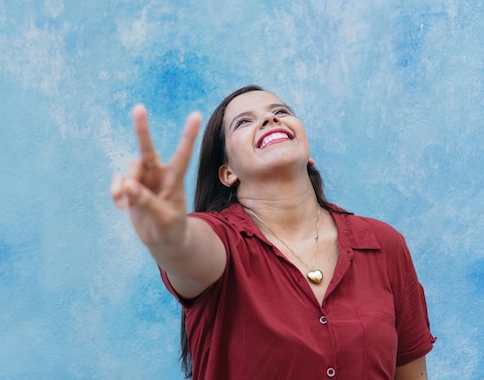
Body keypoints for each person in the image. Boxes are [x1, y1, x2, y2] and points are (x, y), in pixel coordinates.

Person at [110, 85, 435, 380]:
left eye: (280, 112)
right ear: (227, 173)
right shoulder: (221, 240)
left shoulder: (383, 244)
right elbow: (185, 252)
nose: (269, 120)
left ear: (308, 154)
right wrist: (167, 231)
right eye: (244, 122)